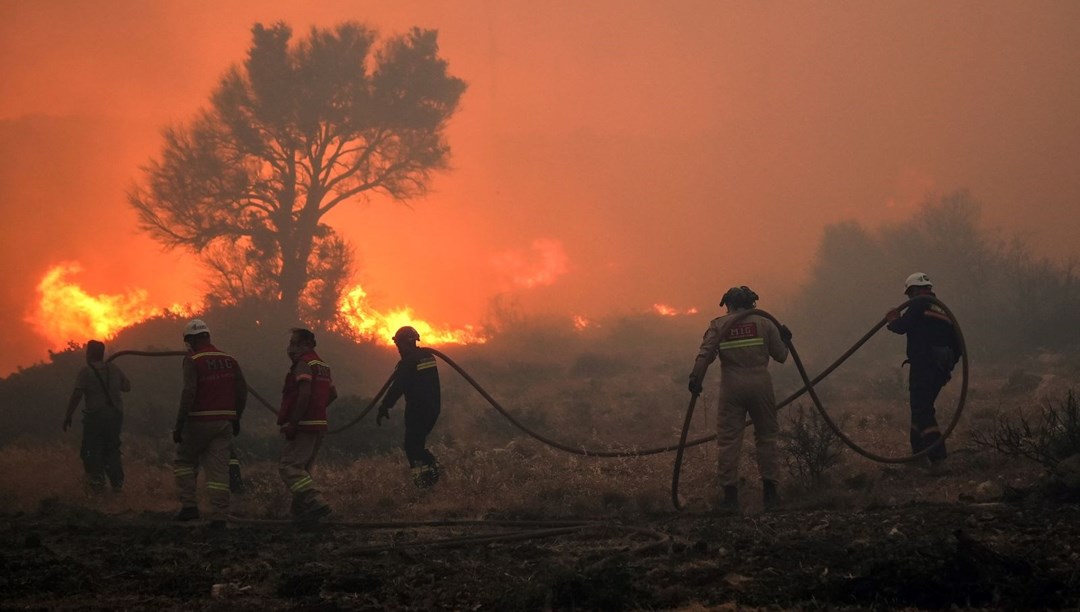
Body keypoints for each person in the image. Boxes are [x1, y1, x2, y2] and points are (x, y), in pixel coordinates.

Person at [688, 286, 791, 512]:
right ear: (752, 303)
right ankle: (771, 495)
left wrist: (696, 378)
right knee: (766, 438)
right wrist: (785, 339)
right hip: (761, 385)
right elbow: (782, 356)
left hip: (732, 387)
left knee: (728, 441)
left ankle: (730, 498)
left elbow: (705, 355)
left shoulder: (719, 325)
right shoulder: (765, 323)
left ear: (728, 304)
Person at [172, 319, 247, 525]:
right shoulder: (229, 359)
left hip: (198, 421)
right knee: (218, 470)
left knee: (184, 461)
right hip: (224, 423)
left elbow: (189, 392)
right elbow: (242, 390)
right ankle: (220, 515)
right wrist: (236, 417)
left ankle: (189, 507)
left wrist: (179, 425)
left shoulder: (193, 360)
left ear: (191, 339)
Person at [886, 272, 961, 468]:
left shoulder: (918, 304)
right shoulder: (942, 309)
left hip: (923, 365)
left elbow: (902, 326)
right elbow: (957, 344)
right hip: (940, 368)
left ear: (913, 291)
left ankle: (938, 458)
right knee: (919, 408)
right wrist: (947, 366)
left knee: (923, 410)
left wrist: (893, 319)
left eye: (910, 294)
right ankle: (917, 455)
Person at [277, 327, 336, 521]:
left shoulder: (303, 364)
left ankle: (316, 502)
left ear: (308, 345)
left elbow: (304, 394)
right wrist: (318, 408)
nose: (291, 349)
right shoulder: (323, 366)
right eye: (290, 344)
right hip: (319, 424)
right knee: (304, 472)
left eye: (296, 344)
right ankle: (301, 512)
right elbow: (333, 394)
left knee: (289, 467)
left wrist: (294, 422)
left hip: (304, 425)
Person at [377, 326, 442, 488]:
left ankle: (427, 475)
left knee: (412, 446)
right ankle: (428, 478)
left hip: (417, 410)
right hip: (433, 408)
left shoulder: (407, 362)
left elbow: (397, 387)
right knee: (416, 444)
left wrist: (385, 406)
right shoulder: (428, 356)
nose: (398, 349)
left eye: (399, 345)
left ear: (405, 344)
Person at [63, 340, 131, 493]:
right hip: (115, 417)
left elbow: (77, 394)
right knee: (112, 450)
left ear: (89, 354)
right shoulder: (114, 368)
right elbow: (127, 387)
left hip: (95, 417)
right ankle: (117, 486)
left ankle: (96, 484)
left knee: (91, 451)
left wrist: (68, 415)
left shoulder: (86, 372)